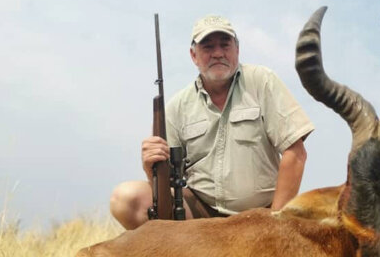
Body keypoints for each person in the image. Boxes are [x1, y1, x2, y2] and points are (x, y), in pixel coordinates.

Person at [110, 14, 314, 229]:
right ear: (194, 55)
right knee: (125, 199)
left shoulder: (262, 81)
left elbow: (296, 153)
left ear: (237, 49)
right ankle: (177, 256)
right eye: (207, 47)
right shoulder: (177, 106)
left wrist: (276, 222)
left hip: (260, 215)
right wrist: (150, 168)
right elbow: (167, 183)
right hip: (201, 215)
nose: (218, 53)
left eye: (225, 45)